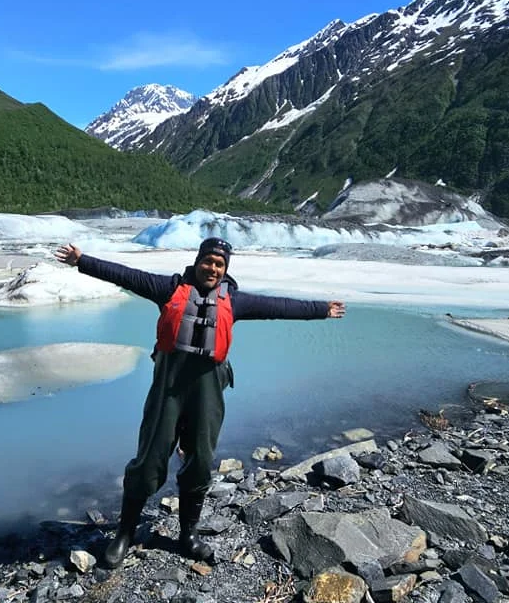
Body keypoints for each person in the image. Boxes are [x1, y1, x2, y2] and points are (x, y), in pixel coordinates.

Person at [54, 237, 345, 567]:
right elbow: (127, 275)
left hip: (207, 392)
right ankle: (124, 534)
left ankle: (187, 536)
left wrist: (321, 310)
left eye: (219, 264)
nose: (213, 268)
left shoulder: (233, 301)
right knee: (149, 458)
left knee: (200, 460)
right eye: (208, 261)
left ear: (225, 270)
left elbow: (278, 307)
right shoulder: (168, 288)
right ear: (198, 261)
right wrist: (83, 261)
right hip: (169, 389)